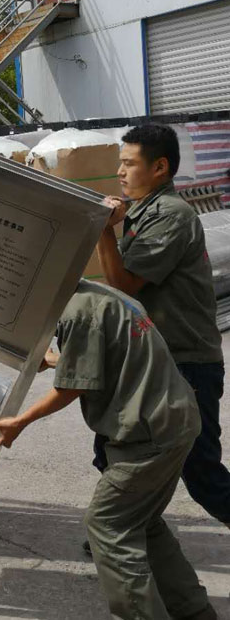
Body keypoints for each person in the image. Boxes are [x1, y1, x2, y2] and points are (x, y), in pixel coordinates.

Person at [0, 280, 216, 620]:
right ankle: (194, 612)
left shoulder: (76, 313)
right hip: (174, 422)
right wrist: (58, 360)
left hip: (149, 436)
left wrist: (21, 421)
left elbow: (71, 388)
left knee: (107, 524)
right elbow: (105, 354)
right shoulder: (98, 294)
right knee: (142, 521)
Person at [97, 124, 230, 528]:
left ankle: (121, 532)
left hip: (186, 365)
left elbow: (124, 284)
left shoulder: (170, 215)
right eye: (120, 163)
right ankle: (120, 533)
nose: (120, 172)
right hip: (155, 360)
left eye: (129, 163)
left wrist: (102, 229)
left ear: (159, 167)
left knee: (202, 472)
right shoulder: (140, 211)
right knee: (113, 451)